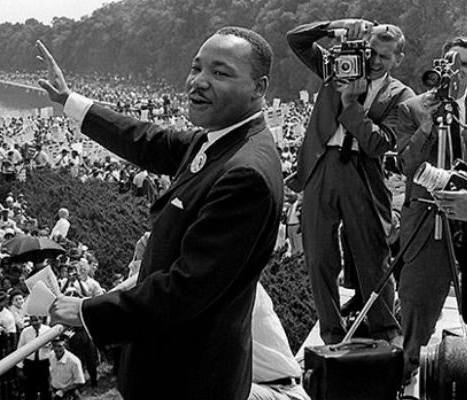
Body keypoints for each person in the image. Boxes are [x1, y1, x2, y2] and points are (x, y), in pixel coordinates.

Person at [39, 25, 283, 400]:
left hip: (191, 377)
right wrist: (71, 101)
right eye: (196, 67)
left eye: (220, 73)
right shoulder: (218, 139)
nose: (199, 82)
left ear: (259, 88)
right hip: (174, 366)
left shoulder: (244, 173)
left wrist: (89, 311)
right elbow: (147, 140)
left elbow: (185, 289)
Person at [286, 19, 413, 345]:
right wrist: (333, 26)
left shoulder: (401, 96)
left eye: (384, 57)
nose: (373, 61)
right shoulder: (337, 65)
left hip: (362, 174)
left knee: (373, 256)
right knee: (318, 257)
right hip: (320, 167)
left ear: (398, 59)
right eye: (370, 52)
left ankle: (385, 332)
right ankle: (331, 333)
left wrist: (349, 104)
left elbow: (379, 143)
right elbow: (296, 40)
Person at [394, 36, 467, 382]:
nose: (459, 73)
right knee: (417, 308)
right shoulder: (413, 108)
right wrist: (427, 126)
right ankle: (407, 375)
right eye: (454, 64)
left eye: (466, 66)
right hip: (426, 224)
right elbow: (407, 165)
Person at [17, 315, 52, 400]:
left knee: (45, 389)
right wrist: (19, 367)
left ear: (41, 320)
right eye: (32, 321)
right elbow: (20, 349)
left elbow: (53, 349)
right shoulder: (26, 332)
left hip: (44, 363)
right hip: (30, 364)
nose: (34, 323)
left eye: (36, 320)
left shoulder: (48, 331)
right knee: (30, 390)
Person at [48, 336, 84, 400]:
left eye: (59, 346)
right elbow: (51, 372)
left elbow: (80, 382)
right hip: (55, 392)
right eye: (54, 346)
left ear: (65, 345)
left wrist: (63, 390)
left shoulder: (74, 361)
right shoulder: (51, 355)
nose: (57, 349)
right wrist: (51, 387)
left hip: (69, 392)